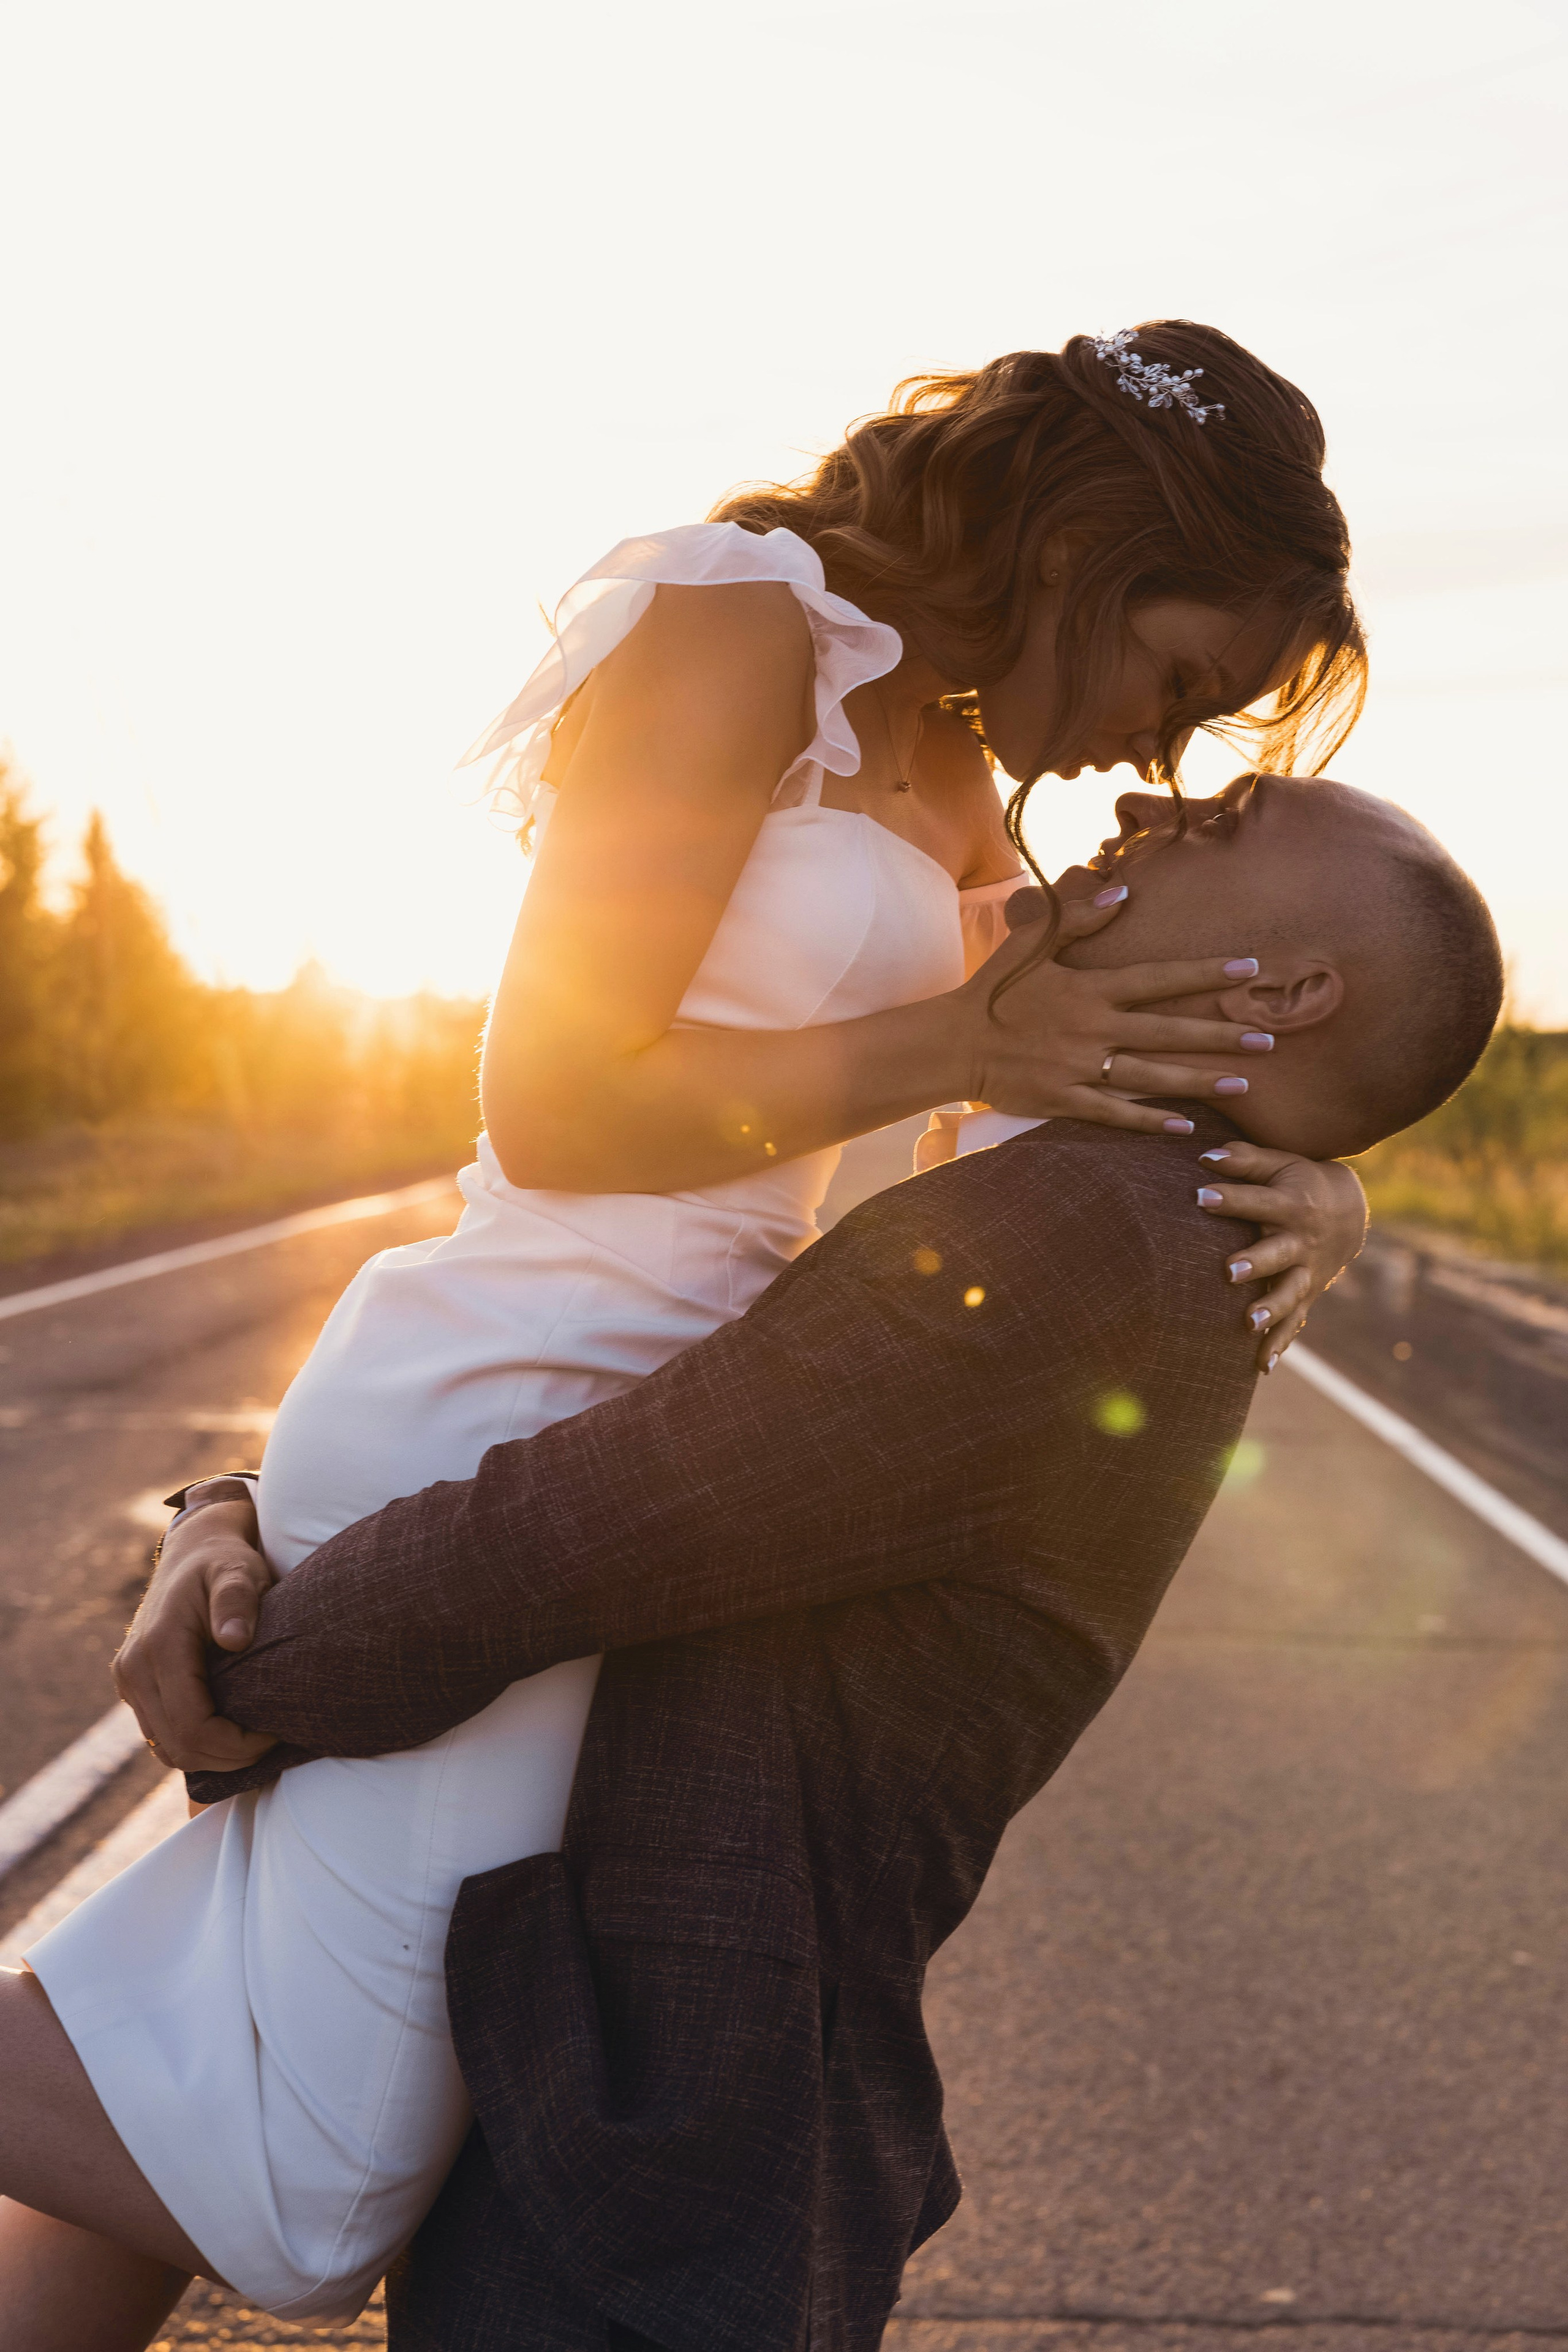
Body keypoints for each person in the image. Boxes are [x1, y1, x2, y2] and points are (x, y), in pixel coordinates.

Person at [0, 315, 1376, 2343]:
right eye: (1181, 675)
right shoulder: (741, 624)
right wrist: (950, 1031)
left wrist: (1324, 1169)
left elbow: (1054, 1110)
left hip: (674, 1455)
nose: (1156, 754)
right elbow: (555, 1099)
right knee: (308, 2181)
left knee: (205, 2046)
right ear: (1094, 539)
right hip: (503, 1389)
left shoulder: (979, 786)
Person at [56, 772, 1499, 2352]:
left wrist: (233, 1672)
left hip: (671, 2144)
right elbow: (690, 1430)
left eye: (1226, 821)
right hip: (632, 2086)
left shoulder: (1091, 1240)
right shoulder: (1106, 1201)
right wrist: (230, 1504)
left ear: (1288, 989)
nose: (1154, 800)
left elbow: (584, 1524)